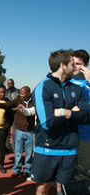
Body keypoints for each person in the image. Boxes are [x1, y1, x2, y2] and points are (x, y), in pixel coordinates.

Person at [32, 49, 90, 195]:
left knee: (64, 189)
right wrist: (74, 113)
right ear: (63, 65)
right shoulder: (42, 87)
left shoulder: (76, 89)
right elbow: (48, 122)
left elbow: (87, 116)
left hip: (69, 149)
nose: (75, 67)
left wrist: (65, 112)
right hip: (46, 149)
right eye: (72, 64)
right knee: (43, 188)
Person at [0, 86, 35, 178]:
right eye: (20, 93)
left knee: (29, 153)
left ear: (28, 93)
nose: (20, 95)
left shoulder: (33, 102)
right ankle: (17, 169)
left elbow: (30, 112)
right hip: (19, 130)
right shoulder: (17, 101)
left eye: (22, 93)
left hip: (30, 131)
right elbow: (7, 105)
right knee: (18, 152)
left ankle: (27, 169)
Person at [69, 49, 90, 171]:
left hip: (85, 136)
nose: (74, 66)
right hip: (67, 135)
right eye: (73, 63)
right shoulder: (66, 81)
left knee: (84, 173)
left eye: (78, 64)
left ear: (85, 66)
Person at [4, 78, 20, 153]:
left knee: (14, 133)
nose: (9, 85)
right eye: (8, 83)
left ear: (13, 84)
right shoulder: (5, 92)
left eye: (10, 83)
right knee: (6, 132)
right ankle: (7, 147)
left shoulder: (18, 92)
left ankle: (14, 148)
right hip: (7, 114)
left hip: (15, 114)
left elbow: (20, 102)